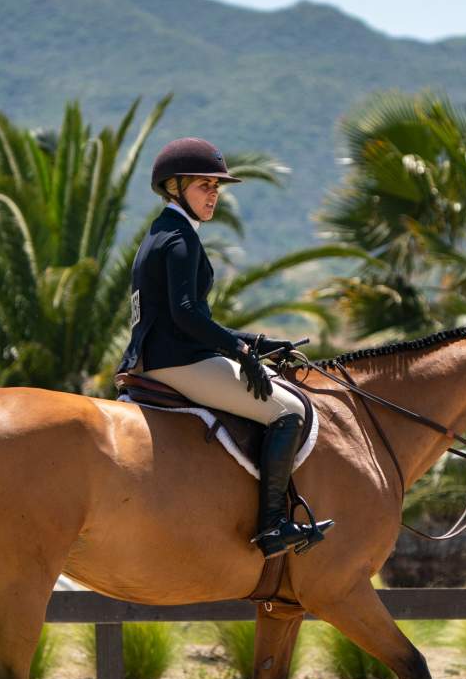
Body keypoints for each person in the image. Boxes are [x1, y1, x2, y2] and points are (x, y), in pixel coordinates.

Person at [117, 137, 331, 559]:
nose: (213, 194)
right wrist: (238, 351)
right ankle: (272, 526)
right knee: (288, 411)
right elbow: (185, 315)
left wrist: (255, 343)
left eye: (216, 187)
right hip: (177, 362)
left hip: (160, 357)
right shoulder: (180, 239)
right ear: (175, 187)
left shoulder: (162, 233)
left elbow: (188, 316)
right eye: (204, 185)